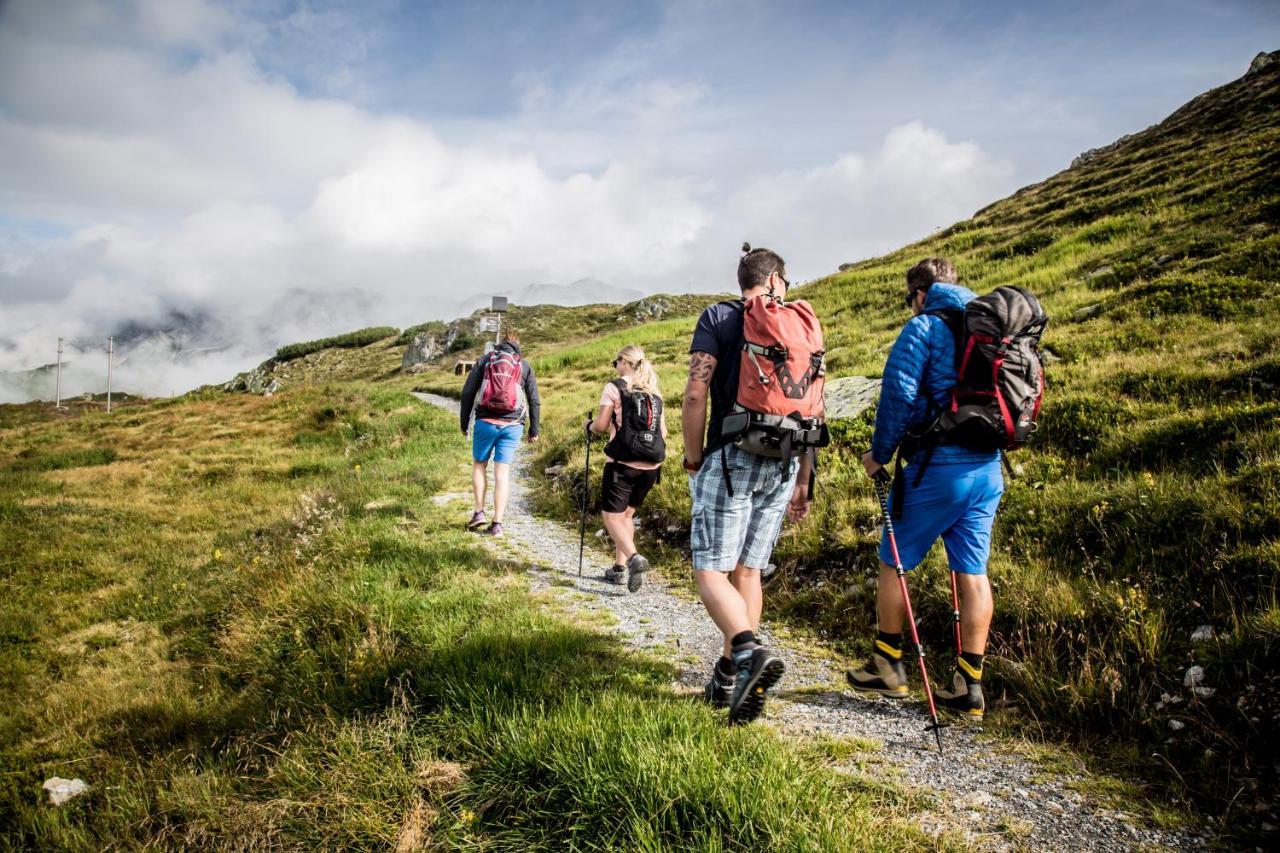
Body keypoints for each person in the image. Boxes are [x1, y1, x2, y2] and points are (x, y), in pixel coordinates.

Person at [846, 257, 1002, 719]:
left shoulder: (924, 328)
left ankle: (887, 662)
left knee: (894, 558)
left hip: (938, 467)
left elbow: (898, 396)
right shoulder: (990, 328)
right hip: (988, 468)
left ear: (919, 294)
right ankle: (969, 685)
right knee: (972, 570)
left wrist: (880, 453)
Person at [682, 245, 814, 724]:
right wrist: (805, 477)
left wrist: (694, 458)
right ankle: (729, 677)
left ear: (743, 279)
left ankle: (747, 652)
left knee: (710, 571)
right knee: (749, 571)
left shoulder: (718, 317)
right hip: (783, 460)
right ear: (776, 278)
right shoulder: (799, 323)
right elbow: (810, 407)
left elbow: (697, 391)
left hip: (732, 454)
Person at [585, 344, 668, 593]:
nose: (615, 366)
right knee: (627, 516)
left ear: (624, 362)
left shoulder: (615, 387)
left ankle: (633, 559)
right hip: (652, 465)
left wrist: (588, 425)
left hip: (622, 463)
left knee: (611, 517)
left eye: (616, 362)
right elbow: (662, 432)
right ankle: (619, 569)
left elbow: (600, 426)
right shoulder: (654, 392)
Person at [459, 330, 541, 537]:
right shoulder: (523, 365)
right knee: (502, 474)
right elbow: (534, 400)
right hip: (512, 425)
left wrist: (464, 423)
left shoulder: (485, 361)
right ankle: (497, 524)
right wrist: (534, 430)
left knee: (479, 465)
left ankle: (479, 513)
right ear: (517, 345)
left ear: (500, 343)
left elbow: (468, 392)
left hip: (485, 422)